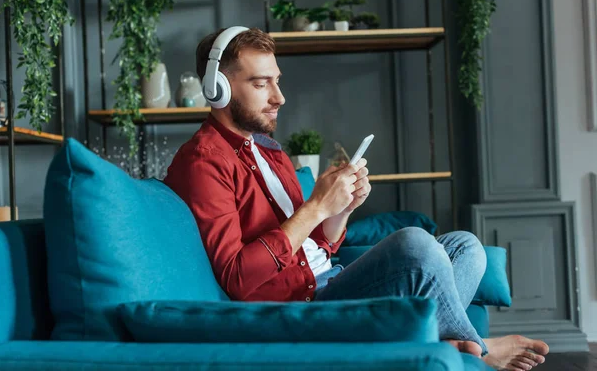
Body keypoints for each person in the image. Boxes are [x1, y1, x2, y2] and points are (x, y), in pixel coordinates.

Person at [164, 26, 550, 371]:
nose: (279, 97)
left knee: (466, 246)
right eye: (262, 84)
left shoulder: (270, 151)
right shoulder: (204, 161)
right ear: (219, 89)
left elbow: (320, 247)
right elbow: (236, 278)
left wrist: (341, 210)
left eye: (277, 81)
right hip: (303, 309)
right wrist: (315, 206)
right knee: (415, 243)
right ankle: (477, 350)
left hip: (333, 281)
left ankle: (440, 341)